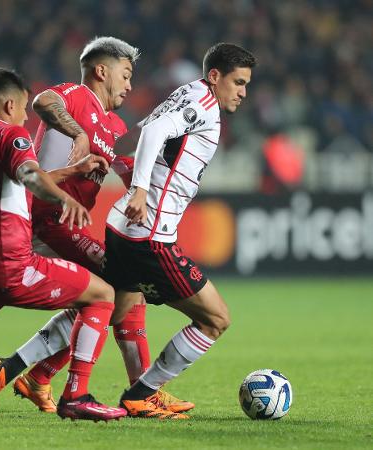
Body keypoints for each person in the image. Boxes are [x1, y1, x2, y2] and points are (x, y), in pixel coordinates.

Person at [0, 37, 192, 418]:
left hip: (66, 224)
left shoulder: (114, 123)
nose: (130, 85)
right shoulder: (76, 94)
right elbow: (43, 102)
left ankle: (25, 372)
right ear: (101, 71)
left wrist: (142, 182)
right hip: (48, 218)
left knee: (105, 298)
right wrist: (78, 133)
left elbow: (120, 166)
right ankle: (141, 391)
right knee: (125, 287)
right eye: (126, 74)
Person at [0, 67, 127, 422]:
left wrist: (71, 172)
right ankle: (75, 396)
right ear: (9, 104)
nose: (26, 119)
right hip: (11, 264)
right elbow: (31, 176)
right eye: (22, 110)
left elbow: (17, 179)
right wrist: (64, 199)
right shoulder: (11, 135)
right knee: (104, 294)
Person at [101, 43, 257, 419]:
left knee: (104, 309)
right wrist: (139, 187)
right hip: (149, 236)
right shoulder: (202, 103)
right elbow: (153, 130)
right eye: (238, 82)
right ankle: (143, 393)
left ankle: (23, 367)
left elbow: (147, 134)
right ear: (215, 76)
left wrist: (128, 171)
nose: (243, 92)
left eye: (247, 84)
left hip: (121, 226)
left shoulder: (186, 92)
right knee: (215, 319)